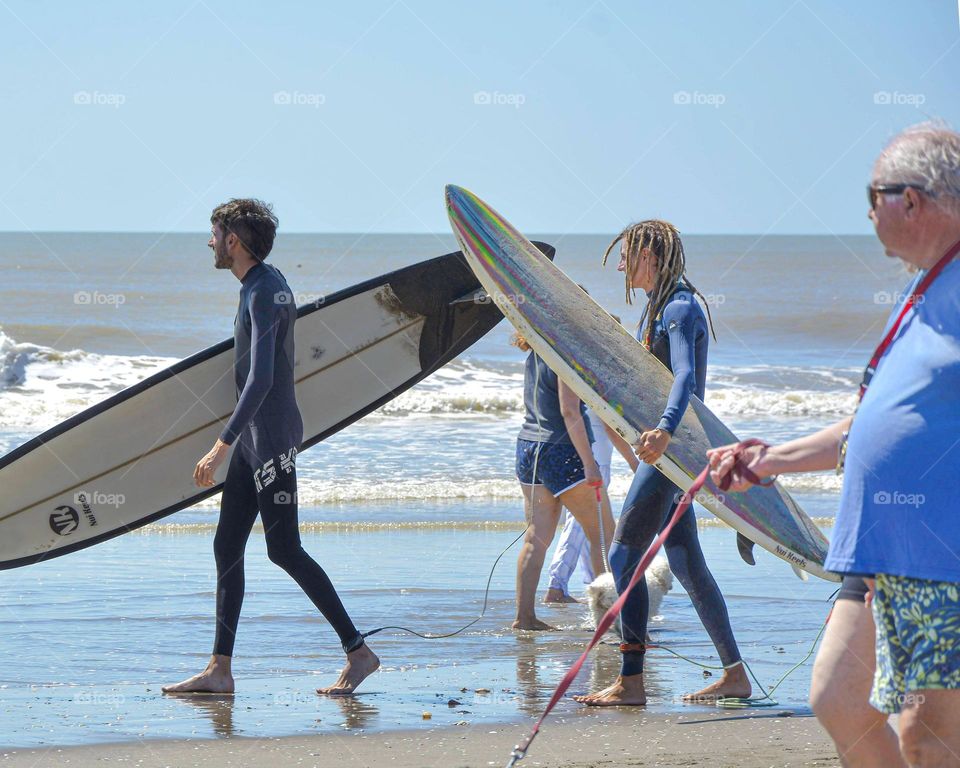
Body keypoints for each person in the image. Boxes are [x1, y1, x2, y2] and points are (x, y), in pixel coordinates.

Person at [709, 123, 960, 767]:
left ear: (912, 199)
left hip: (938, 552)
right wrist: (767, 462)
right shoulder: (919, 289)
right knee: (836, 698)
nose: (868, 213)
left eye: (872, 197)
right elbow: (874, 424)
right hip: (879, 546)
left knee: (928, 737)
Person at [162, 199, 379, 696]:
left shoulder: (263, 291)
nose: (210, 242)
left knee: (284, 549)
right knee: (227, 546)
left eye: (214, 234)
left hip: (271, 441)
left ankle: (358, 651)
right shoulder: (264, 284)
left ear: (233, 241)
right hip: (256, 442)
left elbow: (261, 379)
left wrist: (221, 445)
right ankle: (220, 669)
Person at [575, 220, 750, 706]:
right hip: (668, 449)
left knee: (623, 556)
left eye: (627, 253)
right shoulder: (660, 305)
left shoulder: (679, 306)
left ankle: (631, 680)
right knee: (688, 562)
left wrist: (665, 430)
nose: (620, 262)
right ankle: (735, 674)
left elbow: (686, 379)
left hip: (673, 448)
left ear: (649, 255)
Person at [512, 332, 617, 630]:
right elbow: (569, 410)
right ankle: (606, 620)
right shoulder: (565, 353)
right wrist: (589, 463)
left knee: (536, 537)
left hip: (528, 448)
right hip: (563, 452)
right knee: (602, 534)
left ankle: (525, 618)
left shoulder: (535, 349)